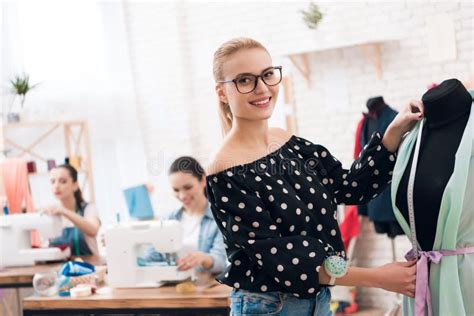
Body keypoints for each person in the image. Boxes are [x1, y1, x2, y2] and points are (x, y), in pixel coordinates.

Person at [205, 37, 423, 315]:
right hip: (268, 307)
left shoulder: (287, 142)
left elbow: (351, 186)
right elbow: (286, 258)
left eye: (268, 75)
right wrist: (379, 278)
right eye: (245, 80)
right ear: (222, 92)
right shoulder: (225, 168)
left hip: (318, 301)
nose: (262, 88)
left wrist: (394, 129)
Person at [140, 156, 227, 274]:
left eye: (188, 187)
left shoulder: (219, 218)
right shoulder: (167, 219)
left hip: (205, 286)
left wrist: (204, 259)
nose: (182, 196)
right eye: (176, 190)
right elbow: (151, 257)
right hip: (172, 288)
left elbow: (221, 263)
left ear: (203, 180)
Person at [43, 164, 101, 256]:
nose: (56, 186)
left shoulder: (88, 208)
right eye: (53, 182)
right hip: (60, 269)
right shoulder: (51, 213)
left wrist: (64, 211)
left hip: (89, 267)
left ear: (75, 185)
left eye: (63, 181)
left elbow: (93, 230)